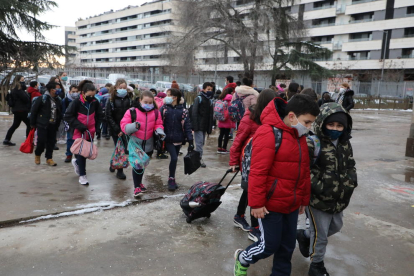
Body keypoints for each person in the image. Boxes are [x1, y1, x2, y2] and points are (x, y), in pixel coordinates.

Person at [233, 94, 320, 276]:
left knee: (287, 245)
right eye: (307, 122)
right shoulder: (268, 132)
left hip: (292, 203)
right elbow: (257, 172)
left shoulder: (299, 135)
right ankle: (243, 258)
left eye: (312, 123)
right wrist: (256, 203)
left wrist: (303, 198)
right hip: (270, 204)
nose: (309, 126)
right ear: (291, 117)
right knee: (269, 245)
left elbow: (303, 170)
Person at [297, 102, 357, 276]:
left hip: (339, 199)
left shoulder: (345, 143)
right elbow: (303, 170)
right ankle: (316, 266)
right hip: (318, 199)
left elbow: (350, 164)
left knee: (336, 226)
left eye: (339, 126)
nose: (335, 129)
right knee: (321, 235)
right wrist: (320, 186)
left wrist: (351, 181)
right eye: (331, 124)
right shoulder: (313, 143)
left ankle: (305, 236)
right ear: (322, 123)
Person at [229, 89, 278, 242]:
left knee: (249, 189)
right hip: (249, 160)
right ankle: (255, 228)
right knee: (253, 190)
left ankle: (239, 216)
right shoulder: (250, 116)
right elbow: (238, 140)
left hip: (262, 159)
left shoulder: (271, 117)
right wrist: (233, 162)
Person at [120, 91, 165, 197]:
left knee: (143, 164)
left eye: (150, 102)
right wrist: (133, 126)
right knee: (137, 164)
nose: (148, 105)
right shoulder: (132, 111)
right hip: (136, 143)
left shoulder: (155, 112)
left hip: (148, 143)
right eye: (146, 102)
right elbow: (124, 125)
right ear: (140, 100)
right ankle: (136, 187)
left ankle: (139, 182)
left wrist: (160, 132)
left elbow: (158, 124)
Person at [64, 83, 103, 185]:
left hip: (90, 132)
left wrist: (98, 128)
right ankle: (82, 175)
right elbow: (68, 116)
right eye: (89, 95)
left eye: (93, 95)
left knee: (85, 153)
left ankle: (77, 163)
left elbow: (99, 116)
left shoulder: (95, 102)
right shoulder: (76, 103)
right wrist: (79, 125)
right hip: (78, 132)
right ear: (83, 93)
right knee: (81, 153)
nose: (91, 97)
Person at [160, 88, 194, 190]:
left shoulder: (183, 111)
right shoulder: (164, 109)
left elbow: (187, 127)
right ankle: (171, 178)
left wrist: (191, 141)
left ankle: (172, 177)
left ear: (175, 97)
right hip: (168, 139)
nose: (167, 97)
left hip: (179, 139)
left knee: (174, 159)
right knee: (174, 158)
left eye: (169, 95)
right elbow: (159, 123)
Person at [106, 78, 133, 180]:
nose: (122, 89)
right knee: (120, 149)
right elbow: (108, 116)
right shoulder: (111, 100)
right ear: (116, 87)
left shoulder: (129, 99)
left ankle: (113, 163)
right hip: (116, 130)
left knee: (122, 149)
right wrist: (117, 130)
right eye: (120, 87)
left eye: (124, 88)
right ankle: (119, 171)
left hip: (126, 129)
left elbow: (132, 113)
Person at [30, 82, 62, 166]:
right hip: (42, 124)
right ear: (52, 90)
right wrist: (32, 123)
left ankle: (49, 158)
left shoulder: (58, 99)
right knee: (41, 141)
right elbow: (34, 111)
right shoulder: (42, 98)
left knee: (51, 142)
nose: (59, 90)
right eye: (57, 88)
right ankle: (37, 154)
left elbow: (60, 112)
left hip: (53, 124)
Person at [191, 82, 214, 168]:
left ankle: (197, 157)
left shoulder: (210, 100)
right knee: (199, 143)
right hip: (199, 125)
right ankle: (199, 160)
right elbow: (194, 112)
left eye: (211, 90)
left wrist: (210, 126)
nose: (210, 91)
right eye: (208, 89)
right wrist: (195, 125)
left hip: (205, 126)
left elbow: (210, 115)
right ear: (203, 89)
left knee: (202, 143)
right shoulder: (199, 98)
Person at [3, 75, 31, 146]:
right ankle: (28, 141)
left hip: (17, 110)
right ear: (18, 81)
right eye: (22, 80)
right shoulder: (18, 90)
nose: (23, 81)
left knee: (15, 125)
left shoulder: (13, 89)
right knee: (29, 124)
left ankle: (7, 139)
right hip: (21, 110)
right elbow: (25, 99)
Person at [62, 85, 79, 163]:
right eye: (73, 92)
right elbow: (63, 112)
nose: (75, 93)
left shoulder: (80, 100)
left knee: (78, 139)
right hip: (69, 123)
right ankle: (69, 154)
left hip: (78, 122)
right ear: (69, 92)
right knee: (69, 139)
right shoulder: (65, 101)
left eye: (76, 92)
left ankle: (77, 154)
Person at [217, 88, 235, 154]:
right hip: (227, 120)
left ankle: (219, 147)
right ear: (231, 93)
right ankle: (224, 148)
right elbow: (231, 111)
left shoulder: (222, 99)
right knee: (226, 135)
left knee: (221, 134)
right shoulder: (230, 101)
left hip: (221, 119)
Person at [154, 91, 168, 159]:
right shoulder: (164, 102)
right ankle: (160, 152)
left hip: (154, 122)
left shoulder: (154, 100)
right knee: (161, 138)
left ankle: (157, 151)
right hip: (161, 123)